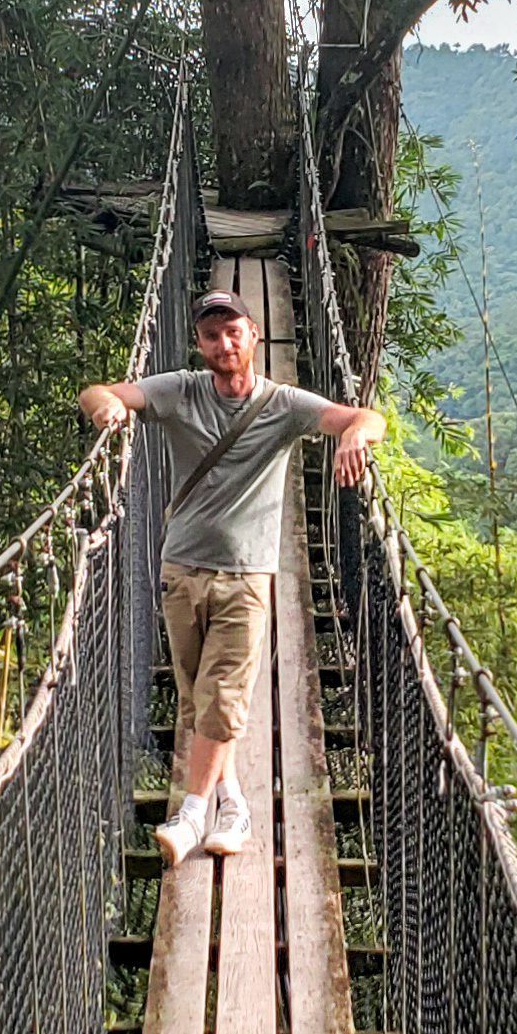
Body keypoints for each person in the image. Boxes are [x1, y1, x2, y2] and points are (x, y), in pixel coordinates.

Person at [78, 286, 385, 865]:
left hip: (247, 577)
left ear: (254, 336)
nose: (224, 343)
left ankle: (192, 813)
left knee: (221, 696)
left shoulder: (285, 404)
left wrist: (353, 435)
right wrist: (107, 406)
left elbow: (367, 416)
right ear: (198, 343)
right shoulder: (179, 391)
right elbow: (98, 390)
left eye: (233, 332)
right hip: (180, 568)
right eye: (212, 335)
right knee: (199, 700)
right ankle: (234, 803)